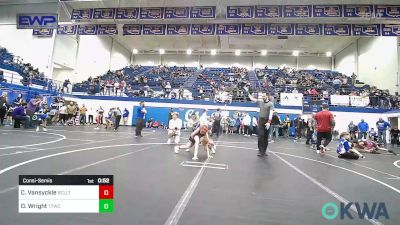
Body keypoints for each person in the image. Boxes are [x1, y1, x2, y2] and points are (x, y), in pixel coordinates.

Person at [248, 92, 274, 157]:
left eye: (264, 96)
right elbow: (252, 99)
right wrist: (247, 92)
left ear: (267, 96)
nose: (263, 97)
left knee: (265, 137)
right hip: (261, 120)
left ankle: (264, 151)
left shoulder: (271, 104)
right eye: (262, 96)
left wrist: (269, 122)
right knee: (260, 136)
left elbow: (271, 113)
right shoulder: (260, 102)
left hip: (267, 121)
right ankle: (260, 151)